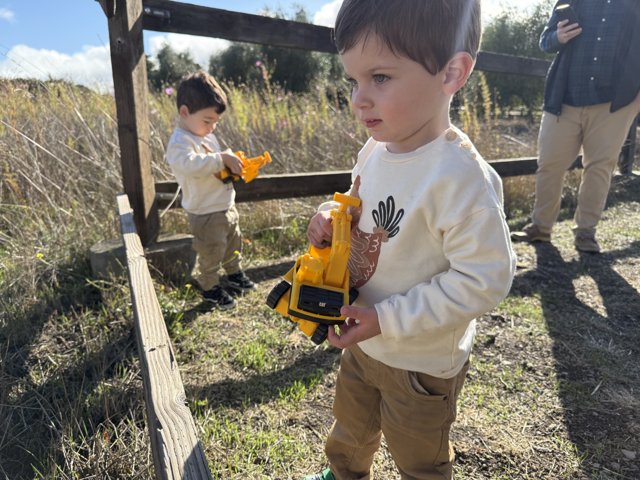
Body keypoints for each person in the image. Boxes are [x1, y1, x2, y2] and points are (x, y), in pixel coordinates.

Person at [303, 1, 516, 479]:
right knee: (350, 430)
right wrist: (328, 218)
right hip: (361, 340)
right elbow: (353, 206)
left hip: (420, 364)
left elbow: (484, 280)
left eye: (380, 77)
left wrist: (388, 318)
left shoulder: (461, 179)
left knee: (418, 457)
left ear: (451, 73)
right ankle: (343, 474)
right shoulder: (375, 150)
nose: (360, 98)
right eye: (353, 81)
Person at [511, 0, 640, 253]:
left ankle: (585, 233)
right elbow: (545, 41)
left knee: (599, 167)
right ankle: (540, 227)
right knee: (549, 164)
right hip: (565, 97)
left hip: (615, 103)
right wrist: (558, 36)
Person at [165, 70, 255, 310]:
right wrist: (221, 158)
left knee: (232, 244)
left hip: (225, 206)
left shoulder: (204, 134)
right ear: (185, 112)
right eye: (207, 121)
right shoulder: (179, 144)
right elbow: (191, 165)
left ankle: (234, 273)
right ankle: (210, 287)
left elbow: (216, 163)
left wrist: (232, 165)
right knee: (211, 251)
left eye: (215, 122)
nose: (212, 127)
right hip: (204, 213)